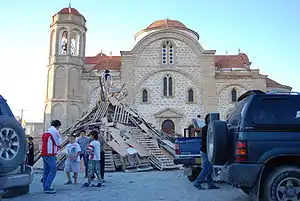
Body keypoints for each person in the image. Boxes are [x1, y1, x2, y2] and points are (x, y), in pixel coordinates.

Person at [193, 114, 220, 190]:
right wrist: (209, 151)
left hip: (208, 151)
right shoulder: (206, 128)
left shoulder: (210, 128)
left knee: (209, 168)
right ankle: (197, 183)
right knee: (207, 167)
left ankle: (210, 184)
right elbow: (205, 142)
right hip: (206, 151)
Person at [40, 120, 62, 194]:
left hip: (44, 153)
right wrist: (60, 136)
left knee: (46, 170)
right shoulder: (54, 131)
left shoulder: (47, 131)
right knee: (53, 170)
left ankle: (45, 186)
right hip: (50, 154)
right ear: (58, 126)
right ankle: (47, 187)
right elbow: (58, 143)